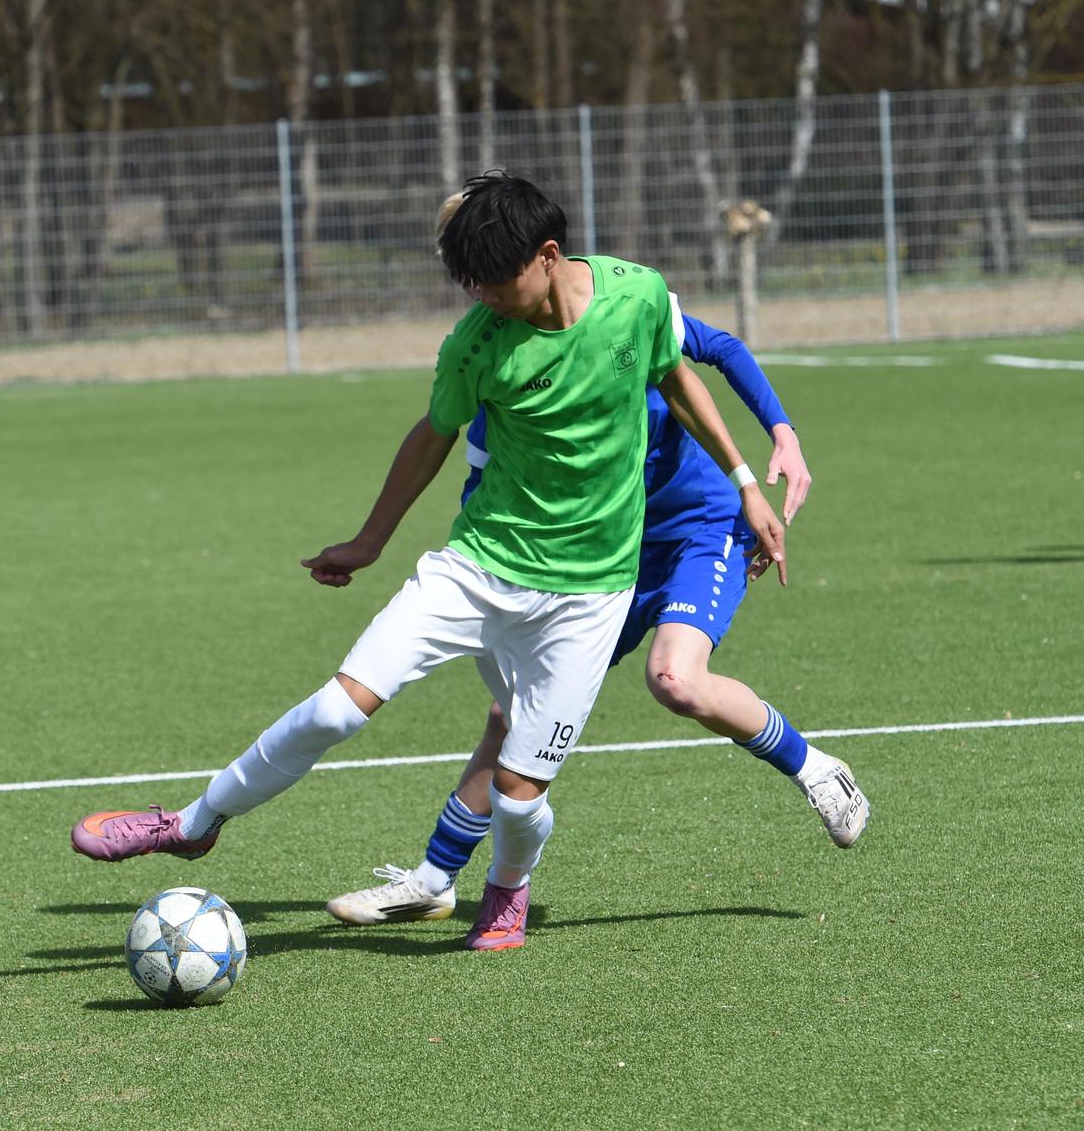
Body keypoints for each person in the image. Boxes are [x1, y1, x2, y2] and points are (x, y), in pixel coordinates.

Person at [72, 172, 787, 951]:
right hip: (477, 569)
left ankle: (505, 895)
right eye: (469, 284)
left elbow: (676, 375)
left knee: (518, 797)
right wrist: (369, 540)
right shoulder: (476, 345)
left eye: (495, 281)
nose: (483, 298)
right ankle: (194, 822)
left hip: (590, 595)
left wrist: (746, 481)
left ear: (549, 255)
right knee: (336, 709)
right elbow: (431, 436)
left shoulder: (638, 296)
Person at [325, 242, 868, 926]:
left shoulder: (625, 312)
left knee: (677, 679)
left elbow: (721, 347)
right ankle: (434, 877)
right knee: (513, 715)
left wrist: (780, 434)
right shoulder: (503, 372)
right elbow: (483, 490)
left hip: (700, 524)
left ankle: (817, 768)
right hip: (602, 555)